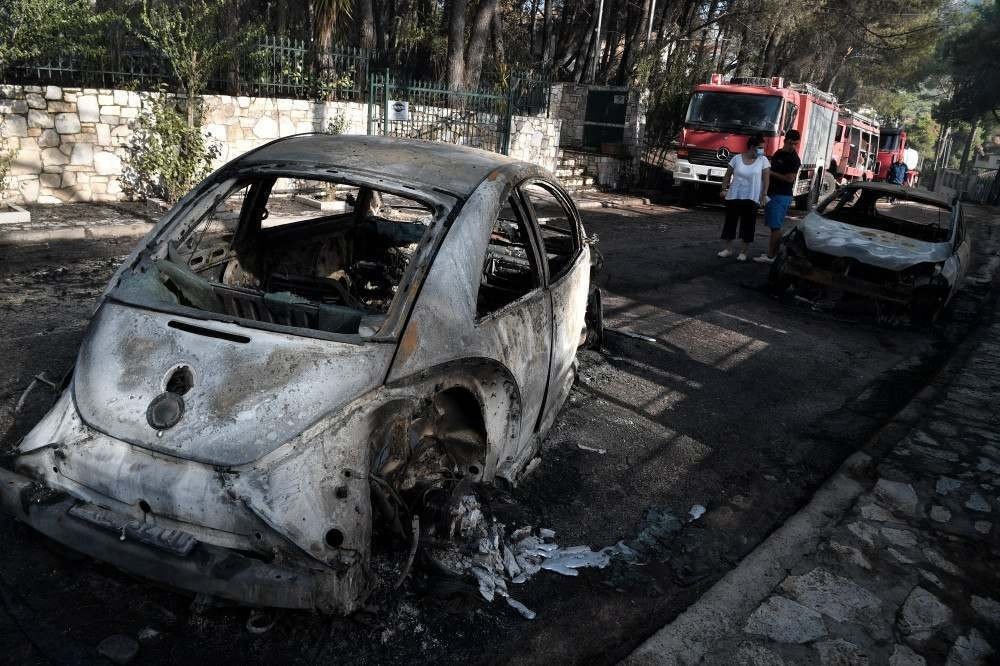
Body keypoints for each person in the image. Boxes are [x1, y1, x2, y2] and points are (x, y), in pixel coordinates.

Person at [718, 133, 770, 261]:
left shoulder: (763, 160)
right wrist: (724, 189)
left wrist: (764, 195)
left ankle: (743, 252)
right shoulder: (736, 158)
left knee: (748, 225)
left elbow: (766, 179)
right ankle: (728, 249)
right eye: (760, 147)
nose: (762, 150)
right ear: (752, 147)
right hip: (734, 195)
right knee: (730, 222)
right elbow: (727, 174)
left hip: (751, 197)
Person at [754, 129, 801, 263]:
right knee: (773, 226)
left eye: (795, 144)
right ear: (785, 140)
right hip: (772, 194)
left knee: (776, 227)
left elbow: (789, 179)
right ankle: (771, 253)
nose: (792, 146)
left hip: (782, 195)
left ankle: (771, 256)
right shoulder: (779, 153)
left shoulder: (794, 159)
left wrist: (770, 173)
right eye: (791, 143)